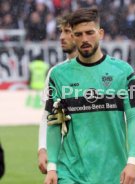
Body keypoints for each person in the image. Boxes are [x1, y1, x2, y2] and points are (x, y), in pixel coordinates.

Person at [44, 8, 135, 184]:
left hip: (113, 171)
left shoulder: (123, 72)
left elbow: (134, 117)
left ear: (100, 33)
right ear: (73, 37)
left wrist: (133, 161)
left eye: (90, 33)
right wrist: (52, 166)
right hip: (70, 173)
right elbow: (54, 123)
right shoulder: (58, 75)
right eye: (79, 34)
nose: (84, 39)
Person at [38, 13, 78, 174]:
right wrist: (42, 148)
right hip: (65, 161)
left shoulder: (104, 71)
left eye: (67, 31)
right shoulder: (55, 73)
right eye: (61, 31)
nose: (62, 37)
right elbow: (48, 114)